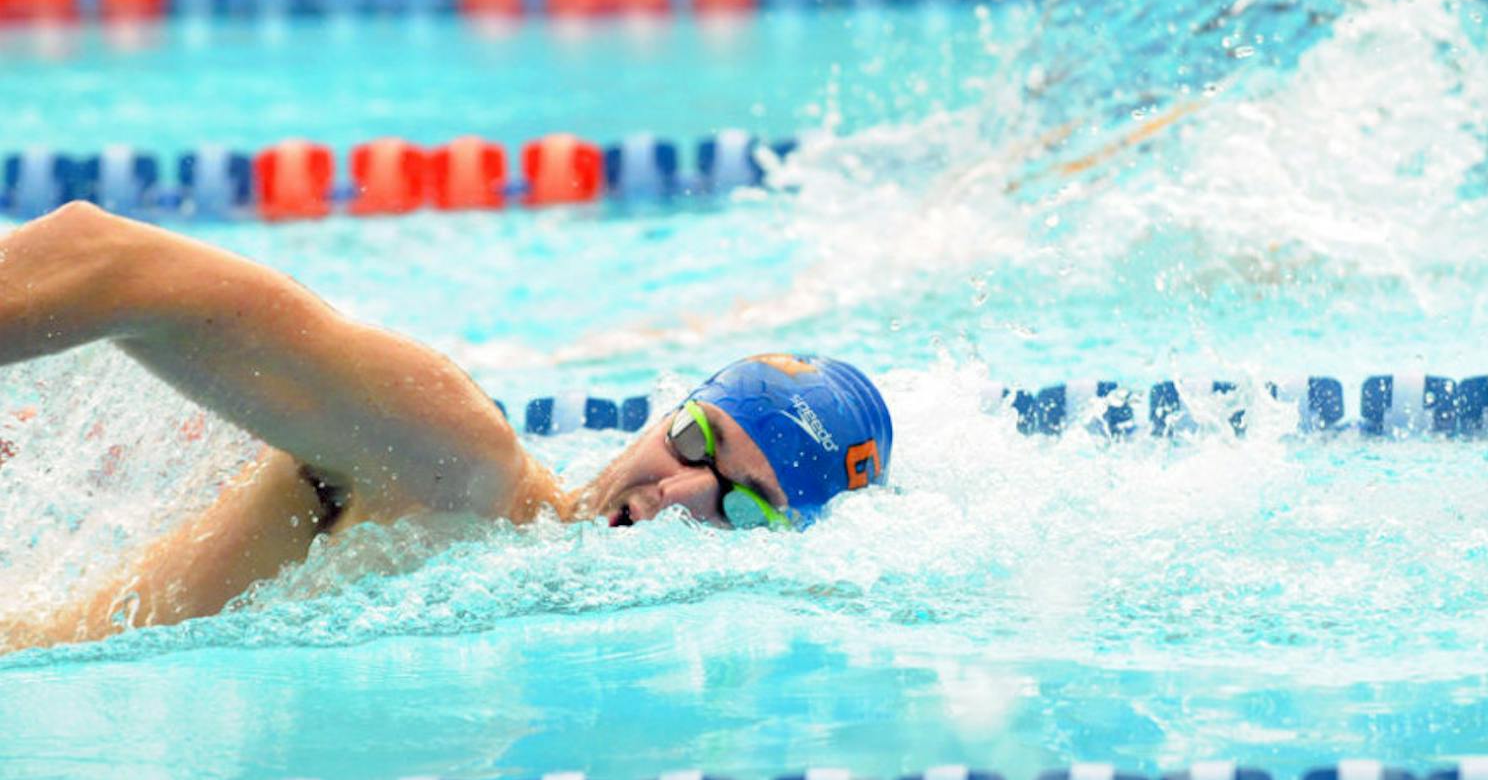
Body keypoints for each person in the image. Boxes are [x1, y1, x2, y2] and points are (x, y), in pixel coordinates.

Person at [0, 201, 892, 650]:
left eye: (746, 506)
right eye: (698, 441)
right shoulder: (456, 462)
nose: (683, 488)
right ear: (667, 411)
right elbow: (107, 256)